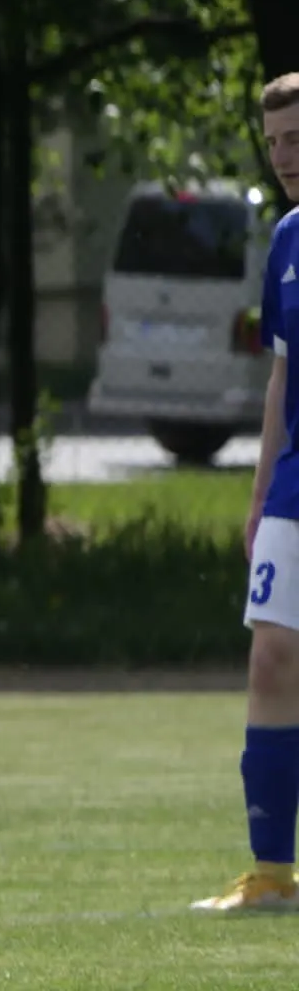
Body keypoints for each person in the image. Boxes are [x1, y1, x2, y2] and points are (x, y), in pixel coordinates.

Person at [198, 72, 299, 913]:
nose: (284, 157)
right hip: (297, 485)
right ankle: (271, 875)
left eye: (296, 139)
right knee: (270, 658)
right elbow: (280, 379)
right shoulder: (288, 240)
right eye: (272, 143)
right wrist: (261, 494)